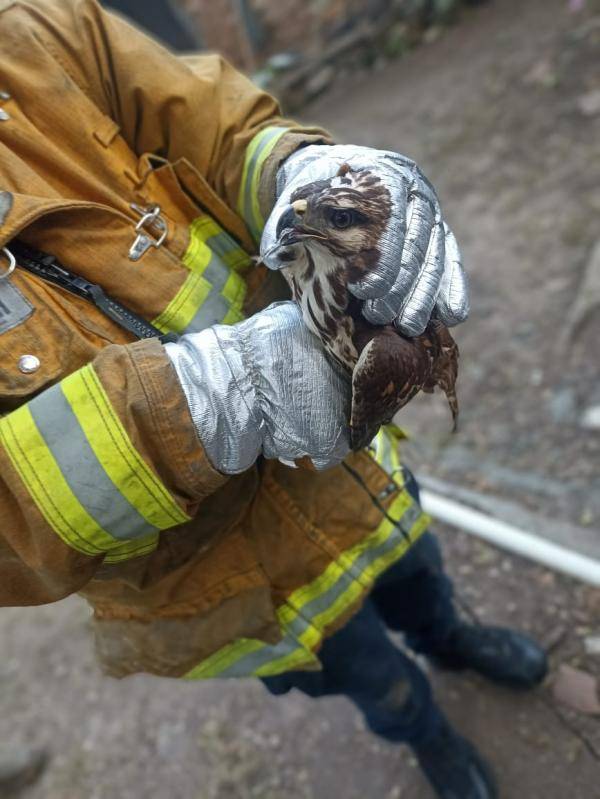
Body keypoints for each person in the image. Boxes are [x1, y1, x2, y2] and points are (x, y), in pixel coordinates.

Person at [0, 1, 546, 797]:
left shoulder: (31, 32)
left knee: (417, 569)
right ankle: (427, 734)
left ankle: (451, 635)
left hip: (343, 469)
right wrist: (201, 405)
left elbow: (217, 126)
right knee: (369, 678)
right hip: (217, 579)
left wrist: (301, 169)